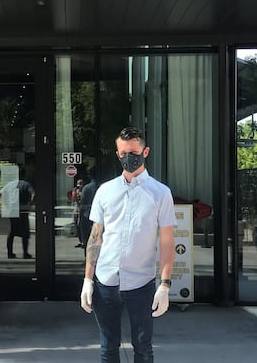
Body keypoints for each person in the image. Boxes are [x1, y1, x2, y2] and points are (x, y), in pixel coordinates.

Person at [80, 126, 176, 363]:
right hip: (106, 282)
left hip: (141, 284)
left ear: (145, 152)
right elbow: (95, 238)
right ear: (117, 154)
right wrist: (87, 280)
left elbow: (167, 243)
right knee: (107, 348)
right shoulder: (105, 191)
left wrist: (164, 285)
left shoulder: (160, 193)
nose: (128, 158)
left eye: (133, 152)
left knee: (143, 348)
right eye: (123, 153)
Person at [1, 173, 35, 259]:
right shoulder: (26, 184)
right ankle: (25, 253)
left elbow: (0, 193)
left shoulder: (9, 184)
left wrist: (7, 204)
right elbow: (33, 194)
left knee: (11, 232)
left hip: (12, 210)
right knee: (25, 232)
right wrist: (30, 204)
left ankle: (10, 253)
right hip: (22, 209)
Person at [77, 167, 97, 249]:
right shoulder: (103, 187)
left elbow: (82, 204)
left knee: (87, 239)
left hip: (87, 214)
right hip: (98, 215)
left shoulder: (87, 188)